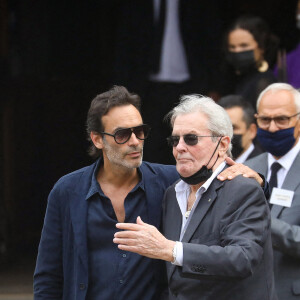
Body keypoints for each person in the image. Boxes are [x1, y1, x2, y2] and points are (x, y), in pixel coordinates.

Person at [33, 86, 266, 300]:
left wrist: (257, 180)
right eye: (123, 134)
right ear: (97, 139)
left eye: (140, 131)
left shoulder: (172, 183)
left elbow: (223, 188)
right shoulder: (68, 191)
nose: (135, 141)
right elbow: (48, 275)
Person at [114, 95, 277, 300]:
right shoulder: (172, 194)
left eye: (191, 139)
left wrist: (170, 249)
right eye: (175, 140)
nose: (180, 147)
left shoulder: (243, 188)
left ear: (223, 144)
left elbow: (242, 258)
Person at [245, 83, 300, 300]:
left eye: (282, 119)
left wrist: (258, 217)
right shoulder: (248, 168)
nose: (273, 127)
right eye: (265, 120)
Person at [218, 15, 278, 108]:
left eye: (244, 45)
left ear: (261, 47)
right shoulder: (233, 79)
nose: (237, 51)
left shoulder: (264, 82)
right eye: (232, 47)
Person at [218, 94, 264, 162]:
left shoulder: (264, 167)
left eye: (233, 128)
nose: (226, 134)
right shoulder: (209, 166)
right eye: (220, 128)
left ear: (252, 131)